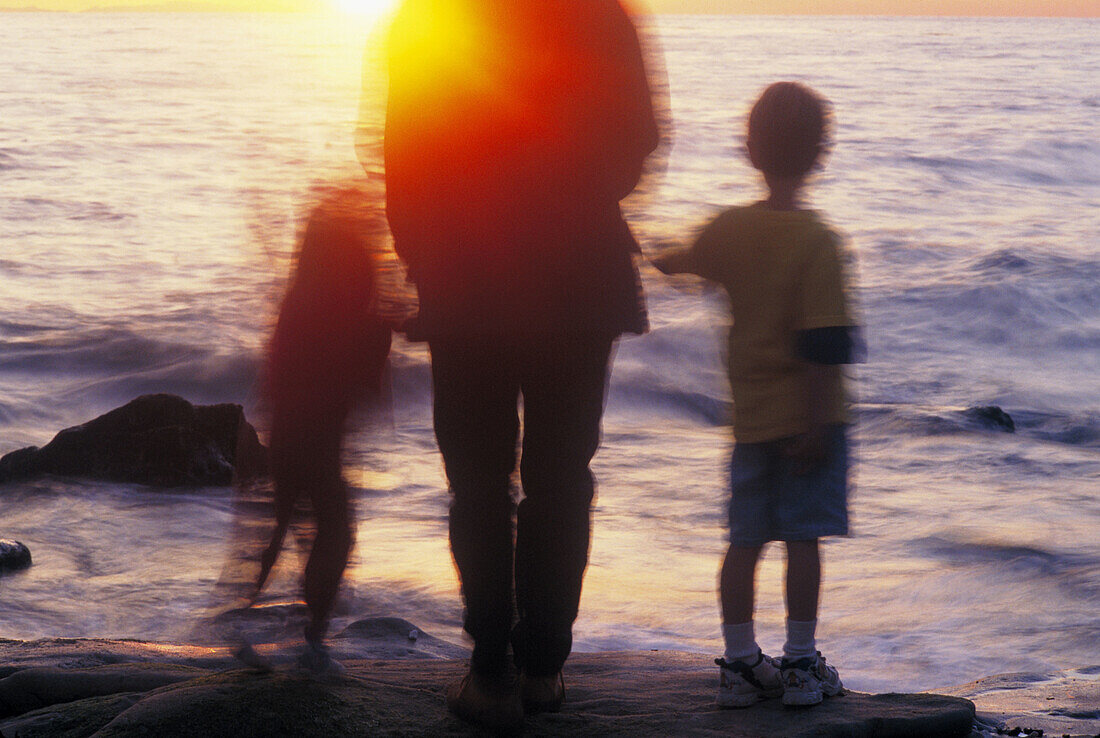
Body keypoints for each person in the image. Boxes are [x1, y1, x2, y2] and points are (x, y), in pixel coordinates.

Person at [380, 0, 659, 729]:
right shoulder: (600, 13)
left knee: (478, 481)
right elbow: (639, 138)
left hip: (467, 276)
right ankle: (542, 668)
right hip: (578, 276)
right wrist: (571, 196)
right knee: (560, 478)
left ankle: (492, 673)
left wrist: (425, 250)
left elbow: (402, 156)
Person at [654, 81, 861, 709]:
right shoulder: (819, 241)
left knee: (743, 541)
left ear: (750, 150)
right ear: (820, 153)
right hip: (810, 421)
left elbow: (686, 260)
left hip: (749, 421)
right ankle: (799, 664)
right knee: (803, 541)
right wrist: (815, 425)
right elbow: (825, 344)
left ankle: (740, 664)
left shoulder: (730, 229)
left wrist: (653, 251)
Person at [242, 187, 392, 676]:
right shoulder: (342, 310)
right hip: (316, 442)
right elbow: (363, 381)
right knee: (331, 534)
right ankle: (310, 640)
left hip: (289, 437)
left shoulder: (301, 301)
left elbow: (279, 375)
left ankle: (248, 624)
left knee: (281, 531)